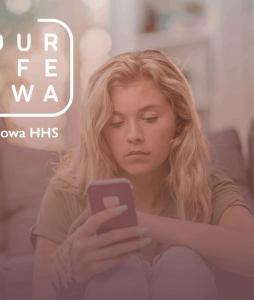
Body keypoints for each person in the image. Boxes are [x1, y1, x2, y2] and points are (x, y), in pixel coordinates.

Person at [30, 50, 254, 300]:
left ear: (179, 121)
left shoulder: (207, 186)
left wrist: (138, 223)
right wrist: (73, 277)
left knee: (183, 260)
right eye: (116, 123)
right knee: (118, 271)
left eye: (149, 118)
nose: (133, 135)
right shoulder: (66, 190)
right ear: (100, 131)